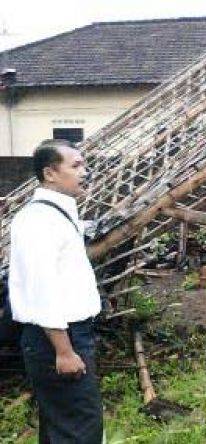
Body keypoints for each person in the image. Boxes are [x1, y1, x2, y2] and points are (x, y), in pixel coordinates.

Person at [9, 139, 103, 443]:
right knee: (80, 428)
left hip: (68, 335)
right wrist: (64, 351)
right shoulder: (39, 221)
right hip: (58, 339)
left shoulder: (56, 213)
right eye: (75, 166)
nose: (84, 172)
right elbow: (43, 288)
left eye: (84, 164)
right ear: (50, 173)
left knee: (63, 426)